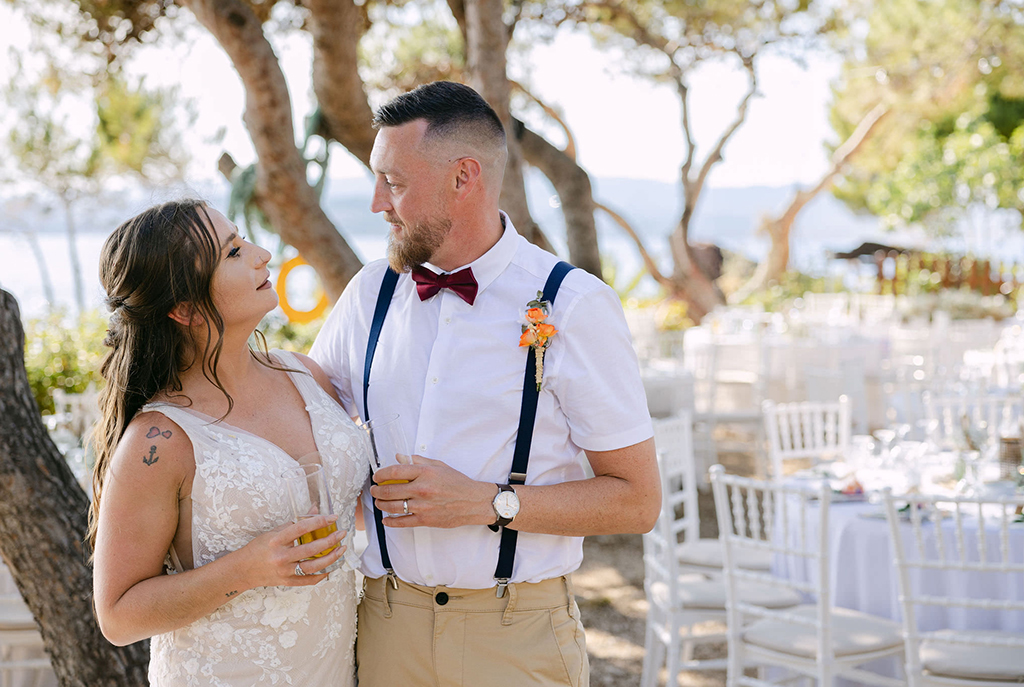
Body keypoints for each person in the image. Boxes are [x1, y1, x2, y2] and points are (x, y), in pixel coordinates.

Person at [309, 80, 661, 687]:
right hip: (384, 627)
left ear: (463, 177)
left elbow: (637, 500)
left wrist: (489, 503)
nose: (376, 203)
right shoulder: (369, 294)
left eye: (393, 182)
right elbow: (307, 421)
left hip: (516, 637)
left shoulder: (572, 304)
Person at [90, 200, 368, 686]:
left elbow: (347, 505)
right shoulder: (159, 440)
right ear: (184, 309)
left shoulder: (307, 375)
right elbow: (117, 615)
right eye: (234, 252)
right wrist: (246, 569)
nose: (262, 255)